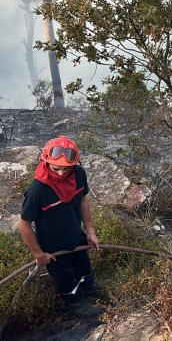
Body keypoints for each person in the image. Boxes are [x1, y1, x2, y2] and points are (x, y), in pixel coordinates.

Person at [19, 135, 102, 318]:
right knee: (66, 278)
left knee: (84, 267)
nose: (61, 174)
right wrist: (39, 254)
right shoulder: (37, 190)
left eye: (66, 169)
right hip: (54, 247)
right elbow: (24, 224)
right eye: (56, 168)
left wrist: (90, 231)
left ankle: (88, 290)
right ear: (46, 162)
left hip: (76, 236)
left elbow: (83, 200)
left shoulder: (79, 173)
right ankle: (74, 303)